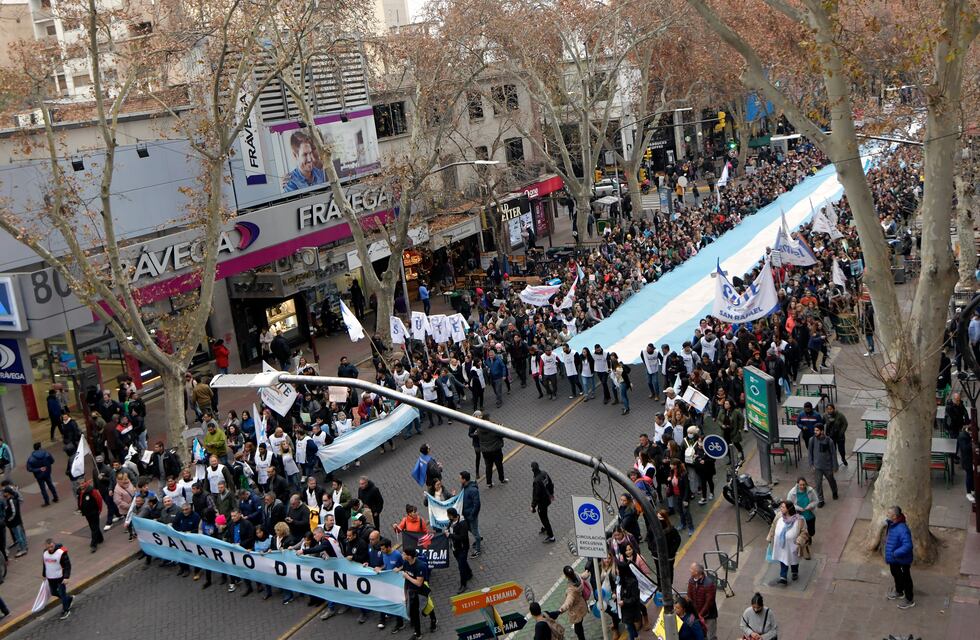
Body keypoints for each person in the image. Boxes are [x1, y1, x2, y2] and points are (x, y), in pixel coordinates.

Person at [397, 547, 437, 640]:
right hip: (412, 592)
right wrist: (405, 593)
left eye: (404, 554)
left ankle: (433, 620)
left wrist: (407, 576)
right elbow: (406, 578)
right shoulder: (406, 563)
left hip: (421, 591)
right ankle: (417, 633)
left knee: (427, 606)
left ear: (409, 556)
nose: (402, 555)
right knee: (415, 613)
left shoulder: (421, 566)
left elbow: (419, 583)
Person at [884, 505, 915, 609]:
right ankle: (899, 591)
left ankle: (909, 600)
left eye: (888, 513)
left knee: (906, 579)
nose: (886, 514)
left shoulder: (902, 529)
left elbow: (908, 545)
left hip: (902, 560)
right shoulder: (892, 524)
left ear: (894, 516)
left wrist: (895, 553)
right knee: (896, 574)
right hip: (894, 560)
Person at [766, 500, 802, 585]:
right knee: (783, 559)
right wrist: (770, 536)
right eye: (781, 506)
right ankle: (783, 577)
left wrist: (800, 540)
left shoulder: (799, 520)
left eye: (783, 507)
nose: (780, 508)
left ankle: (794, 572)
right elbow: (773, 525)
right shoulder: (779, 516)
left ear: (789, 509)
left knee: (793, 560)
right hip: (781, 545)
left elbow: (804, 532)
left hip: (793, 545)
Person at [42, 538, 74, 619]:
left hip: (60, 577)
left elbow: (67, 565)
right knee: (53, 592)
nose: (50, 549)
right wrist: (44, 574)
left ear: (54, 544)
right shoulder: (45, 553)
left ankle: (66, 610)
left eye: (52, 547)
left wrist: (66, 577)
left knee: (62, 593)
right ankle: (69, 598)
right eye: (48, 547)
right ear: (46, 546)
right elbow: (45, 564)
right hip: (50, 577)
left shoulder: (61, 553)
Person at [808, 425, 838, 506]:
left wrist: (835, 466)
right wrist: (811, 464)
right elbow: (810, 453)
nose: (815, 432)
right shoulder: (812, 440)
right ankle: (821, 500)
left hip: (828, 466)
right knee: (818, 484)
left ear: (822, 431)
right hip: (817, 467)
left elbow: (833, 454)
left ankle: (834, 491)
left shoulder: (829, 441)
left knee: (831, 480)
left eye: (817, 430)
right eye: (815, 430)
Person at [688, 562, 718, 640]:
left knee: (710, 635)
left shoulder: (709, 584)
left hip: (709, 615)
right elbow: (689, 596)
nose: (689, 570)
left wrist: (700, 614)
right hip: (696, 613)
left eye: (691, 569)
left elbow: (709, 602)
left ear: (696, 572)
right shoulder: (691, 581)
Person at [445, 507, 473, 593]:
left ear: (452, 516)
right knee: (462, 562)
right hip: (455, 548)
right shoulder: (452, 521)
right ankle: (469, 573)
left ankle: (463, 585)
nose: (447, 517)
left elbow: (462, 537)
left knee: (461, 567)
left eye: (448, 515)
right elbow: (450, 528)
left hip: (462, 548)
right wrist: (447, 530)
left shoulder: (463, 524)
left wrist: (450, 535)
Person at [557, 565, 588, 640]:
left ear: (566, 576)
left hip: (576, 612)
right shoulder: (578, 577)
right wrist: (587, 572)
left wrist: (561, 610)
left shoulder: (571, 590)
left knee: (578, 629)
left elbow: (568, 602)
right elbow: (583, 576)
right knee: (579, 626)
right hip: (582, 605)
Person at [26, 442, 59, 506]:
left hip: (39, 475)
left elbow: (29, 468)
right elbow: (52, 461)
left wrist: (38, 469)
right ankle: (56, 497)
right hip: (47, 473)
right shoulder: (47, 454)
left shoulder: (31, 458)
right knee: (50, 485)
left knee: (43, 488)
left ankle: (47, 501)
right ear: (40, 447)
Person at [78, 479, 105, 553]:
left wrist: (99, 510)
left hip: (94, 512)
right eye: (80, 484)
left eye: (83, 483)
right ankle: (100, 538)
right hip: (87, 513)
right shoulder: (80, 491)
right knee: (93, 526)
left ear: (86, 483)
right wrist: (81, 509)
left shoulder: (91, 490)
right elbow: (80, 501)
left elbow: (99, 500)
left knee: (94, 528)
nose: (82, 485)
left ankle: (94, 544)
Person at [531, 462, 555, 542]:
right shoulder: (544, 473)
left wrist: (533, 506)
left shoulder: (536, 481)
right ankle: (545, 528)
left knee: (544, 518)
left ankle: (551, 536)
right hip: (548, 499)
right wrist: (551, 494)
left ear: (532, 469)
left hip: (542, 502)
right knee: (545, 515)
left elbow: (536, 495)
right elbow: (551, 484)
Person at [459, 471, 482, 556]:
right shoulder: (463, 486)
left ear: (464, 479)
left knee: (474, 531)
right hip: (465, 515)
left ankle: (478, 550)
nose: (459, 479)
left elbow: (477, 505)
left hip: (471, 516)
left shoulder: (473, 490)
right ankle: (478, 538)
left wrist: (472, 515)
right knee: (469, 528)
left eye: (460, 478)